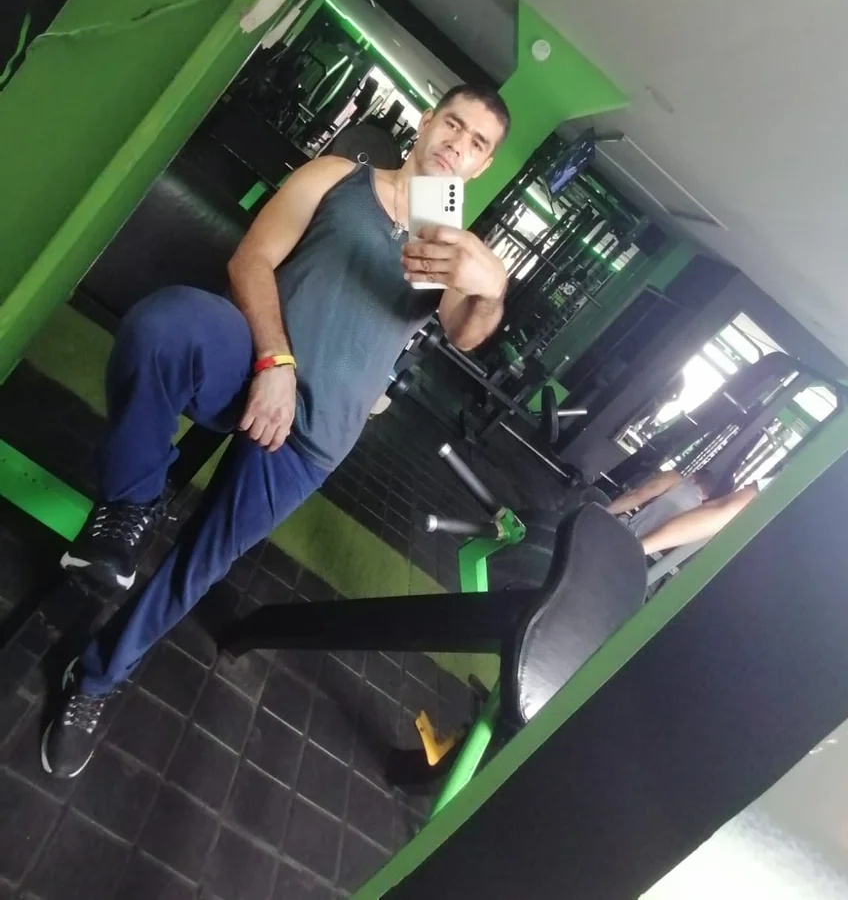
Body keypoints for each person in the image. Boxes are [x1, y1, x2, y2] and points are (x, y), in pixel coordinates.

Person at [43, 83, 511, 778]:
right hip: (253, 365)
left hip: (314, 436)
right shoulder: (339, 177)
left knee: (199, 564)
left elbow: (466, 333)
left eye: (477, 143)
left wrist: (491, 289)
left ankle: (96, 678)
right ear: (426, 120)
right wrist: (276, 361)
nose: (457, 145)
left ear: (482, 165)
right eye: (453, 124)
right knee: (164, 326)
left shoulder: (451, 250)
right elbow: (251, 259)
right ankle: (127, 512)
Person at [607, 467, 759, 556]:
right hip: (644, 558)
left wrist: (603, 512)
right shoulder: (702, 517)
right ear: (706, 496)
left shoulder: (674, 479)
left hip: (624, 535)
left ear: (692, 476)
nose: (746, 486)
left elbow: (636, 496)